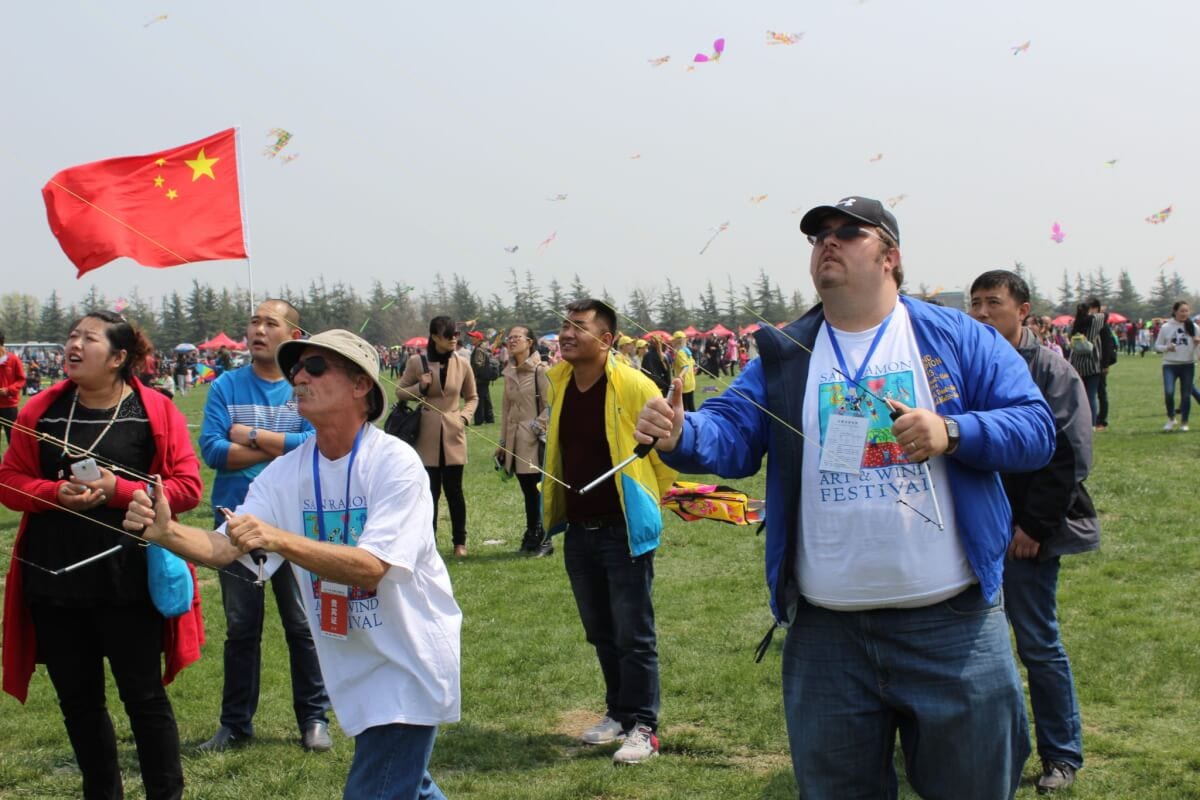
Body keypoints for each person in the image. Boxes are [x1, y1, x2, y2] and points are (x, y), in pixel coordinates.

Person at [635, 196, 1055, 798]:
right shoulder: (786, 352)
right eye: (817, 236)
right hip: (827, 639)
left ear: (891, 256)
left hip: (953, 628)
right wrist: (682, 434)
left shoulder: (955, 336)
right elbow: (730, 434)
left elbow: (1036, 428)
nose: (826, 242)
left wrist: (953, 431)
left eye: (847, 232)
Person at [125, 329, 461, 800]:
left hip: (407, 660)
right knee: (408, 784)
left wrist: (279, 537)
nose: (298, 377)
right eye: (295, 369)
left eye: (315, 367)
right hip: (353, 660)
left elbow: (372, 567)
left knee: (377, 789)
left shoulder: (395, 463)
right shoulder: (287, 471)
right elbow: (227, 549)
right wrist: (166, 532)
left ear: (361, 385)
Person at [0, 310, 204, 800]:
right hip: (54, 579)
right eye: (71, 336)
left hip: (127, 576)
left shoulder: (153, 409)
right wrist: (53, 493)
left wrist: (118, 491)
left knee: (144, 698)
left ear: (117, 358)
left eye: (87, 339)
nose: (72, 345)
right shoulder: (40, 411)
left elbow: (187, 487)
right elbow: (9, 481)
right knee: (79, 703)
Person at [969, 270, 1100, 793]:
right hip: (977, 527)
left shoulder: (1050, 369)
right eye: (975, 303)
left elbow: (1070, 458)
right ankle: (991, 754)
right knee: (978, 648)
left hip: (1027, 534)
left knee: (1037, 643)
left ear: (1023, 311)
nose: (981, 313)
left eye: (993, 303)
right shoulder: (965, 364)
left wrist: (1034, 527)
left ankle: (1061, 755)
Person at [541, 299, 676, 765]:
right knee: (600, 629)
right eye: (564, 326)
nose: (566, 334)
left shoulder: (635, 385)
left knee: (633, 632)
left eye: (578, 327)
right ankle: (618, 713)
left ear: (607, 340)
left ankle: (644, 726)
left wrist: (650, 511)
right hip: (579, 530)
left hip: (623, 529)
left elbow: (663, 457)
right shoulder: (557, 381)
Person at [196, 299, 332, 753]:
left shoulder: (304, 386)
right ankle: (235, 725)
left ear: (291, 334)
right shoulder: (225, 386)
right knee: (241, 630)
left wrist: (250, 435)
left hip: (295, 524)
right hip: (235, 521)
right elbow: (213, 451)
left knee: (303, 625)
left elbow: (315, 443)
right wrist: (281, 447)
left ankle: (314, 719)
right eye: (254, 321)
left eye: (269, 322)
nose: (258, 329)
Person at [398, 316, 478, 557]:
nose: (454, 339)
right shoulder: (416, 361)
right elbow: (400, 391)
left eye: (456, 335)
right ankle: (428, 542)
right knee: (429, 493)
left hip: (453, 433)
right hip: (426, 436)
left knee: (455, 491)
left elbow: (472, 397)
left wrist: (464, 417)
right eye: (448, 335)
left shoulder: (462, 363)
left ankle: (459, 543)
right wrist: (420, 387)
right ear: (434, 337)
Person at [495, 325, 552, 556]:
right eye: (509, 338)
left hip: (534, 440)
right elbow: (506, 408)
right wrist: (502, 441)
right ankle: (532, 535)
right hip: (515, 440)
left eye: (517, 337)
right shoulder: (510, 371)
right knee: (527, 490)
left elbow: (551, 404)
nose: (512, 341)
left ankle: (543, 538)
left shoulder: (541, 370)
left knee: (536, 490)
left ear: (530, 342)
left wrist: (536, 427)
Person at [1154, 301, 1200, 432]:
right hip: (1170, 365)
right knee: (1169, 392)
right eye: (1182, 311)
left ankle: (1184, 422)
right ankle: (1171, 418)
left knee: (1186, 395)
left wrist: (1197, 344)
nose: (1184, 314)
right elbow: (1157, 346)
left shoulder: (1194, 327)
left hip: (1188, 364)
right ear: (1175, 311)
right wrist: (1167, 348)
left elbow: (1198, 349)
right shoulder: (1166, 327)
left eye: (1186, 311)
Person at [1068, 299, 1105, 425]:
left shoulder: (1074, 325)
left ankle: (1080, 421)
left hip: (1077, 363)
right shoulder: (1094, 322)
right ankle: (1092, 423)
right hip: (1092, 362)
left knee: (1080, 395)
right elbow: (1105, 315)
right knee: (1091, 395)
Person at [0, 329, 27, 449]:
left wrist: (9, 390)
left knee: (13, 439)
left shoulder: (13, 360)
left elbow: (22, 379)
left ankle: (13, 466)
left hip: (9, 406)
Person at [1093, 310, 1118, 431]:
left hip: (1101, 365)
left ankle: (1102, 420)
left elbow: (1107, 347)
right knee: (1098, 392)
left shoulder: (1104, 328)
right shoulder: (1096, 327)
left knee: (1101, 393)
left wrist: (1105, 365)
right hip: (1094, 365)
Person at [468, 331, 496, 425]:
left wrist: (473, 376)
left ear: (478, 339)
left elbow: (478, 364)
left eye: (473, 337)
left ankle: (479, 420)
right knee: (485, 398)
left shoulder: (479, 350)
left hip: (479, 378)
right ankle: (489, 419)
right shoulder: (484, 348)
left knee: (479, 399)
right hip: (485, 378)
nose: (471, 338)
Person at [669, 331, 696, 411]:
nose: (671, 342)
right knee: (691, 407)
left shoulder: (680, 353)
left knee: (684, 409)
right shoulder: (686, 350)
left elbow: (685, 366)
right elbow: (693, 363)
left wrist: (680, 375)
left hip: (684, 383)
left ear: (677, 341)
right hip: (691, 382)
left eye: (673, 340)